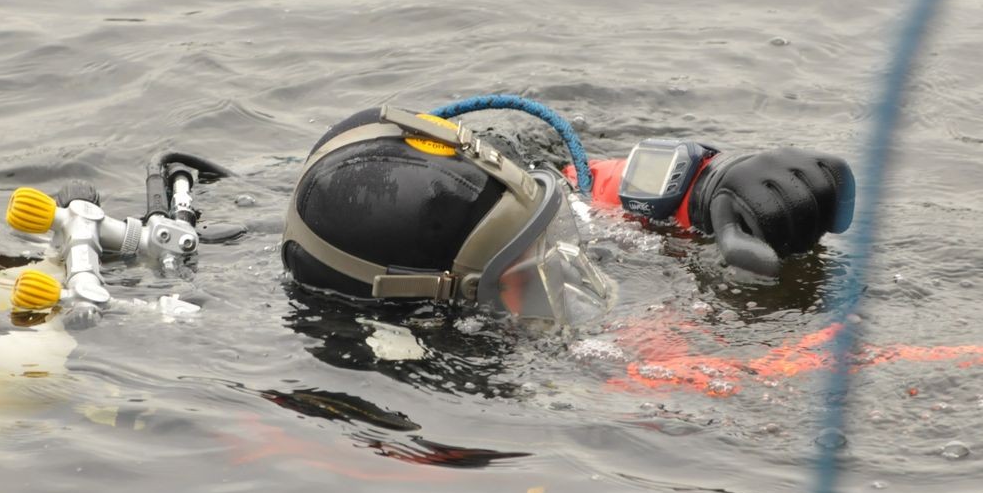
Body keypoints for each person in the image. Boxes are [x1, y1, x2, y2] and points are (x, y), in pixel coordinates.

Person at [281, 104, 856, 323]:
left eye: (550, 233)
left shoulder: (504, 207)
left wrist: (703, 187)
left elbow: (583, 185)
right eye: (525, 274)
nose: (569, 272)